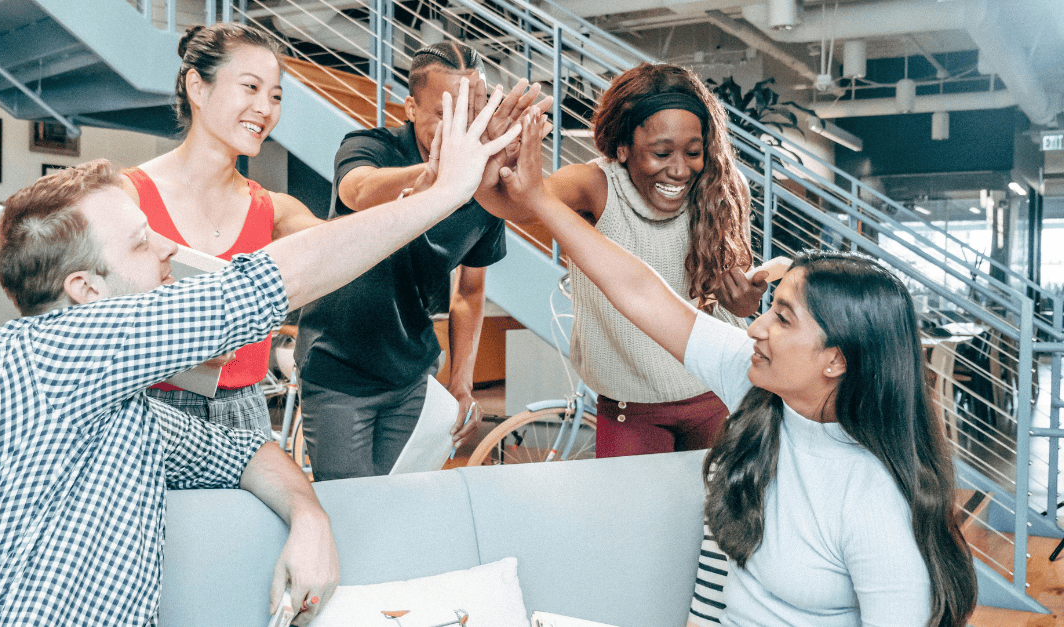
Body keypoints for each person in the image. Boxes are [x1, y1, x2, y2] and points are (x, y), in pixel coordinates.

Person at [0, 79, 521, 626]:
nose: (165, 250)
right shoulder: (37, 355)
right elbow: (265, 284)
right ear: (84, 290)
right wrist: (444, 193)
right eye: (139, 242)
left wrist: (310, 516)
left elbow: (243, 448)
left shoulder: (116, 408)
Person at [494, 113, 978, 626]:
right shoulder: (754, 385)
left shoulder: (875, 501)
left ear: (837, 360)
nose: (754, 327)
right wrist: (541, 202)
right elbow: (641, 292)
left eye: (782, 318)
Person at [476, 63, 764, 458]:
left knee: (714, 517)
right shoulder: (595, 185)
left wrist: (745, 303)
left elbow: (740, 305)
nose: (680, 169)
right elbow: (512, 203)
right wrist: (489, 160)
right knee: (631, 518)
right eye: (661, 152)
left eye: (693, 152)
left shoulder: (722, 189)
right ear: (623, 147)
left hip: (719, 392)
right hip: (632, 407)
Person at [294, 42, 548, 480]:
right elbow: (357, 190)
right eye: (443, 116)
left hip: (412, 375)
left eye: (471, 115)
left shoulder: (485, 188)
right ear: (410, 107)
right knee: (352, 511)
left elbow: (470, 292)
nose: (459, 131)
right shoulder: (371, 146)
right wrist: (433, 178)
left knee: (402, 505)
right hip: (338, 370)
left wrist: (462, 382)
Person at [121, 23, 323, 431]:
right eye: (251, 87)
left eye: (275, 96)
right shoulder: (128, 197)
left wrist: (430, 198)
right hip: (148, 409)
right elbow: (88, 315)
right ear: (198, 87)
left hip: (246, 413)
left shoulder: (275, 210)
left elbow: (348, 248)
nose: (266, 108)